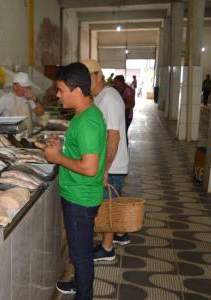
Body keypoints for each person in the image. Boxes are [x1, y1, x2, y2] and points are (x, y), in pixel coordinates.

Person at [45, 62, 106, 299]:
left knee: (81, 255)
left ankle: (84, 294)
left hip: (80, 199)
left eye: (61, 90)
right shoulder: (85, 114)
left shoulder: (88, 122)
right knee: (79, 250)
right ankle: (80, 285)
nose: (58, 95)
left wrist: (57, 157)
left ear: (77, 91)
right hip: (79, 196)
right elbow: (83, 154)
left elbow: (90, 168)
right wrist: (64, 149)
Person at [81, 59, 130, 262]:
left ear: (99, 76)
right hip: (113, 163)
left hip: (113, 164)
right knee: (112, 203)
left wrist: (105, 169)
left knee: (108, 206)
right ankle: (118, 234)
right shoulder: (101, 97)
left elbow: (114, 136)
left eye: (89, 77)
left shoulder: (108, 98)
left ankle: (107, 248)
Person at [113, 75, 135, 146]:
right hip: (122, 115)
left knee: (124, 133)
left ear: (121, 82)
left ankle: (125, 149)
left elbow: (131, 104)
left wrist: (120, 107)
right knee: (121, 132)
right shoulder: (117, 89)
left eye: (116, 82)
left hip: (127, 116)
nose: (114, 84)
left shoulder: (127, 90)